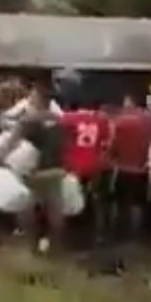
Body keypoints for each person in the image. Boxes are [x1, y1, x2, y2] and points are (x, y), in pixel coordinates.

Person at [0, 79, 68, 254]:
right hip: (58, 168)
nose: (30, 99)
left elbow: (11, 143)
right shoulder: (59, 120)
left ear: (39, 98)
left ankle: (31, 244)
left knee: (27, 207)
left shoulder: (29, 120)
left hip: (36, 171)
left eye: (33, 96)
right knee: (55, 208)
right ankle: (53, 245)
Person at [106, 94, 151, 240]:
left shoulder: (121, 121)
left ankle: (120, 233)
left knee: (121, 203)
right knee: (140, 202)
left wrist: (111, 158)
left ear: (130, 103)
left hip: (123, 168)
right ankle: (139, 234)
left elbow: (112, 145)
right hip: (143, 169)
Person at [60, 93, 112, 244]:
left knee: (71, 195)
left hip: (72, 164)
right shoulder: (101, 120)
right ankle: (95, 231)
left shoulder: (67, 118)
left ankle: (72, 229)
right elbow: (105, 142)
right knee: (93, 197)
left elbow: (60, 139)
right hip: (94, 164)